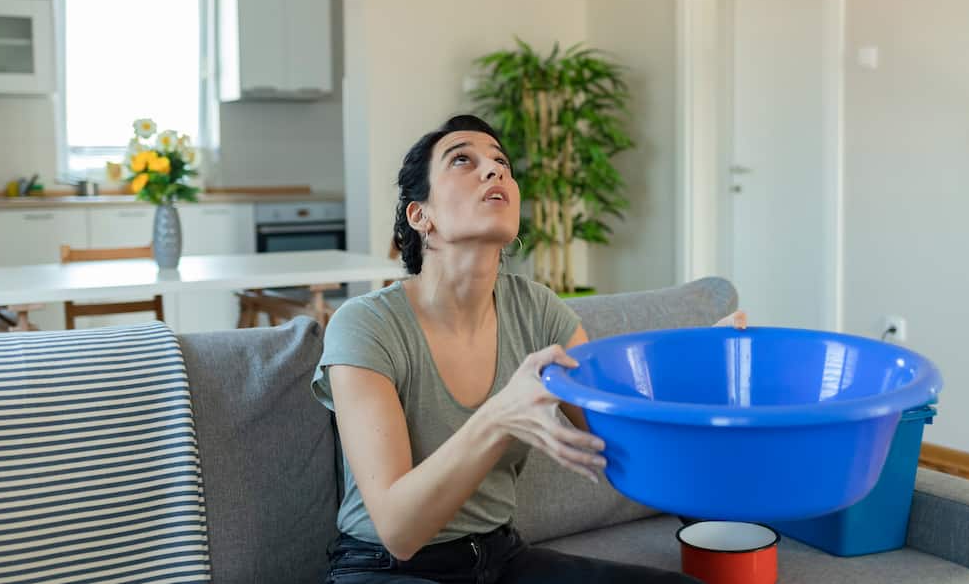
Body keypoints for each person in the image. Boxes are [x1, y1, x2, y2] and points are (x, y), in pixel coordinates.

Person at [311, 114, 745, 583]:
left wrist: (702, 367)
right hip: (386, 568)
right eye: (463, 160)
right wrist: (500, 417)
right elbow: (399, 529)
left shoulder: (538, 311)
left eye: (501, 163)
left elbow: (621, 434)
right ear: (421, 215)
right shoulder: (366, 324)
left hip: (503, 560)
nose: (494, 170)